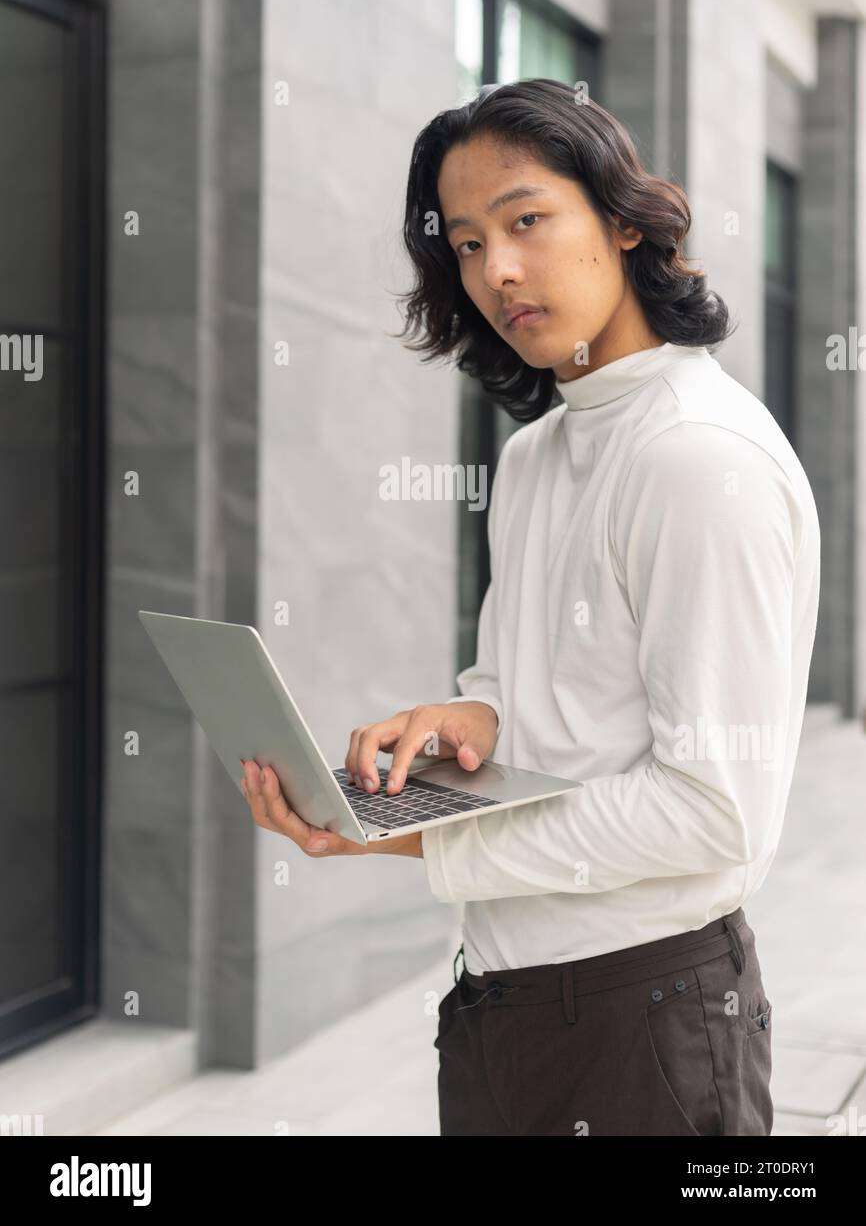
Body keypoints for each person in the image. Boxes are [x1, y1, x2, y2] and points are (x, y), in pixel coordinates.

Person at [240, 80, 821, 1137]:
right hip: (497, 1001)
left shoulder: (698, 458)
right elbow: (530, 694)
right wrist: (464, 724)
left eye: (524, 220)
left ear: (624, 220)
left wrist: (404, 843)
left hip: (644, 1019)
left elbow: (713, 808)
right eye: (464, 243)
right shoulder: (533, 456)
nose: (495, 269)